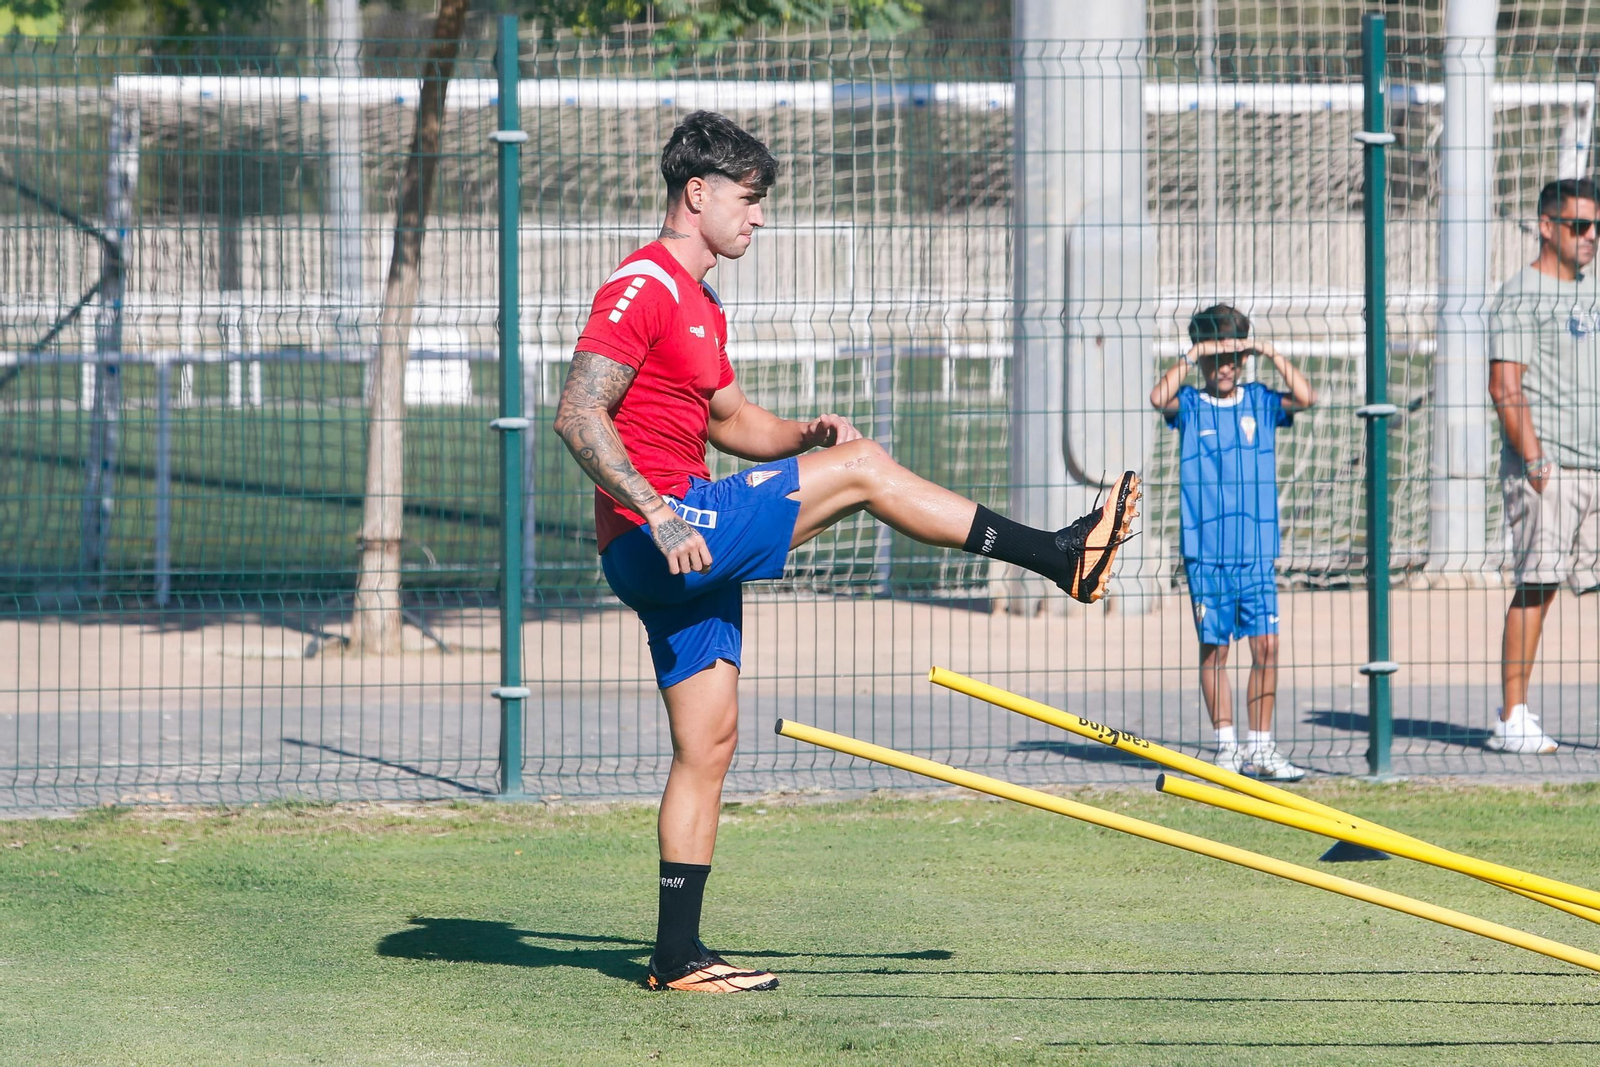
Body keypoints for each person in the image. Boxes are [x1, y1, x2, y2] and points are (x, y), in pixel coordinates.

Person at [552, 111, 1140, 993]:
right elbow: (577, 412)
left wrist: (803, 434)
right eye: (749, 202)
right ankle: (1060, 555)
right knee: (865, 471)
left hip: (678, 542)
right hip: (665, 529)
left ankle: (676, 956)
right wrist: (658, 512)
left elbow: (728, 421)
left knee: (708, 745)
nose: (759, 219)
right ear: (697, 193)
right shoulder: (643, 285)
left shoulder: (703, 300)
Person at [1150, 304, 1316, 781]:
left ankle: (1261, 747)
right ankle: (1226, 746)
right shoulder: (1191, 405)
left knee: (1267, 646)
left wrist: (1265, 348)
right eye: (1215, 359)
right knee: (1214, 650)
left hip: (1256, 552)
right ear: (1203, 359)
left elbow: (1306, 397)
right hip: (1207, 552)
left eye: (1233, 358)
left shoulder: (1260, 401)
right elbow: (1156, 397)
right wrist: (1193, 352)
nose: (1224, 368)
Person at [1486, 177, 1600, 754]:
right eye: (1579, 226)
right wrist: (1535, 460)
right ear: (1547, 227)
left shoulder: (1594, 291)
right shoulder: (1519, 294)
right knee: (1537, 586)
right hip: (1549, 470)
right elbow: (1505, 386)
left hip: (1598, 467)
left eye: (1596, 227)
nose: (1590, 238)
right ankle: (1512, 717)